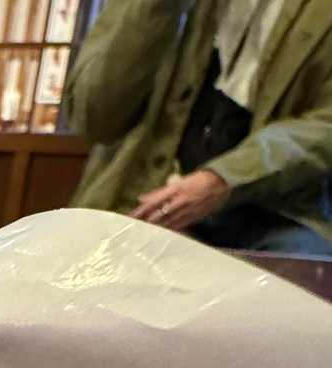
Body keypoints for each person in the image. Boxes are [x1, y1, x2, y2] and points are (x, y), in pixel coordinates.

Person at [64, 0, 332, 255]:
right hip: (141, 196)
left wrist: (226, 177)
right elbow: (93, 118)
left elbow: (324, 126)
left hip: (281, 212)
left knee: (295, 273)